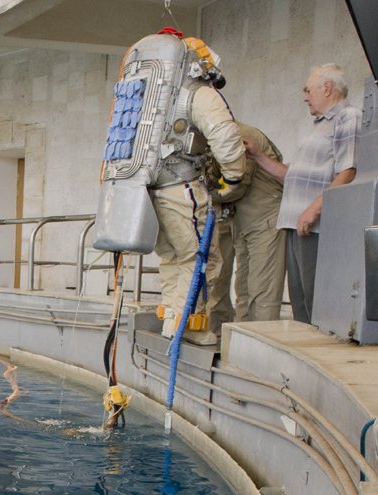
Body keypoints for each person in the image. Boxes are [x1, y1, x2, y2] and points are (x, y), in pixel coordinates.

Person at [92, 30, 246, 347]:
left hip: (149, 192)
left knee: (173, 258)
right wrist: (232, 177)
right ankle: (189, 325)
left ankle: (173, 321)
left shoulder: (154, 90)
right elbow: (226, 138)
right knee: (199, 259)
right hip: (182, 189)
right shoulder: (197, 92)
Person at [245, 63, 361, 324]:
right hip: (295, 223)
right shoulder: (318, 126)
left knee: (314, 301)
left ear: (327, 88)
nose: (305, 96)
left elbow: (348, 171)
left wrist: (314, 209)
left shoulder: (348, 117)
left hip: (315, 226)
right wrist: (258, 157)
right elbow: (293, 177)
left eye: (308, 90)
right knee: (299, 302)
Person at [206, 122, 287, 333]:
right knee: (243, 291)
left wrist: (201, 195)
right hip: (243, 222)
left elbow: (236, 184)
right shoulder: (218, 138)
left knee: (262, 294)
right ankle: (242, 348)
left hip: (264, 220)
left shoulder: (239, 136)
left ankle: (262, 353)